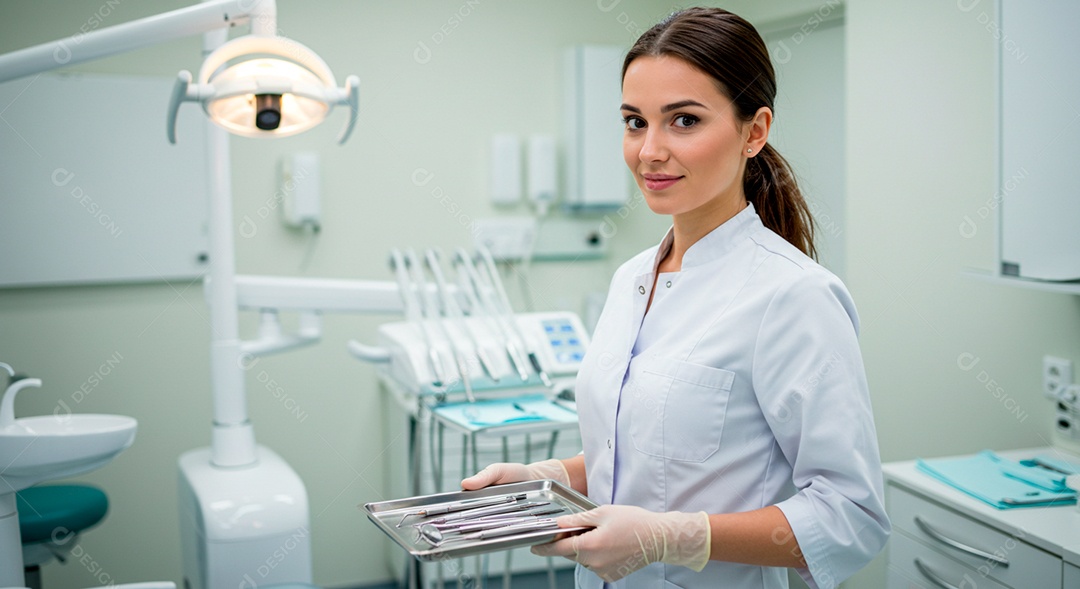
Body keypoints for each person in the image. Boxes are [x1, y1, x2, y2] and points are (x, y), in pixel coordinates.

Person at [462, 7, 889, 588]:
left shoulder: (794, 297)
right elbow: (652, 450)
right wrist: (547, 477)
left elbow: (851, 518)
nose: (650, 151)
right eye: (635, 122)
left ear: (754, 131)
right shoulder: (631, 280)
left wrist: (676, 537)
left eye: (684, 120)